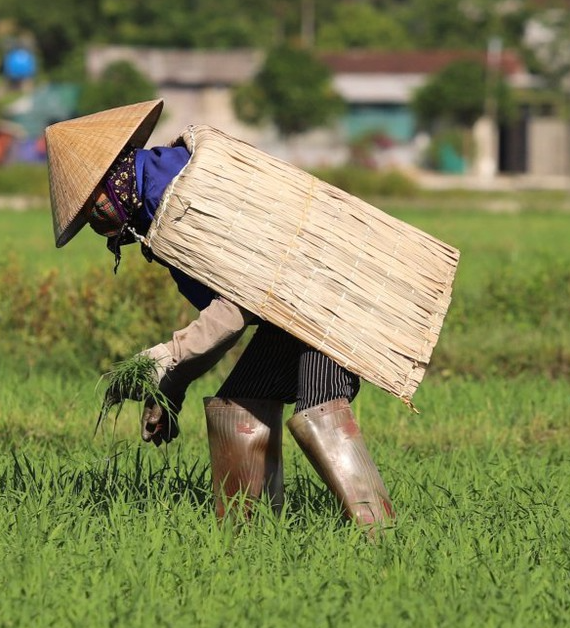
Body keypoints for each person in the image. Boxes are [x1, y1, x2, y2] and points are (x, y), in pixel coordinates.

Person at [46, 100, 394, 527]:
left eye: (91, 212)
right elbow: (227, 310)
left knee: (318, 406)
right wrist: (171, 388)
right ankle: (252, 538)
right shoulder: (158, 191)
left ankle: (380, 533)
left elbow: (232, 311)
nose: (98, 228)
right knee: (240, 407)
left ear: (108, 187)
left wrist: (162, 361)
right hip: (290, 301)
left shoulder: (176, 196)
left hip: (328, 292)